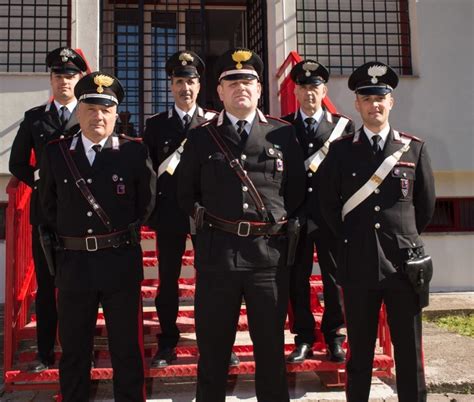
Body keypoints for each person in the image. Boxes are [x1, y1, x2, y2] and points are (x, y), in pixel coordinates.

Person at [178, 48, 306, 402]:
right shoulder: (201, 137)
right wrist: (205, 238)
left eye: (247, 80)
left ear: (260, 88)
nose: (240, 88)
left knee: (269, 350)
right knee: (214, 351)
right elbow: (184, 192)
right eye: (231, 82)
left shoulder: (283, 135)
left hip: (267, 259)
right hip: (219, 256)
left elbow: (296, 191)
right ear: (219, 92)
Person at [318, 61, 436, 402]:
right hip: (358, 267)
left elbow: (424, 208)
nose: (374, 105)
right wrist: (351, 240)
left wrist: (402, 240)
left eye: (381, 98)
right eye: (366, 99)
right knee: (360, 356)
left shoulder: (413, 149)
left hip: (403, 267)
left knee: (409, 355)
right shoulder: (340, 152)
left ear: (391, 102)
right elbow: (327, 205)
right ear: (357, 104)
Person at [39, 71, 156, 401]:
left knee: (126, 350)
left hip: (119, 263)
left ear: (116, 113)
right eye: (90, 108)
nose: (98, 116)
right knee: (74, 351)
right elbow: (47, 207)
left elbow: (145, 205)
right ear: (79, 111)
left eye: (106, 109)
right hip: (74, 265)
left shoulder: (133, 152)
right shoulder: (56, 153)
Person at [142, 50, 237, 368]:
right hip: (169, 214)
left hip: (204, 214)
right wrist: (151, 212)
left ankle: (219, 342)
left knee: (212, 279)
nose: (185, 87)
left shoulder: (213, 122)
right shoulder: (156, 126)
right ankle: (167, 342)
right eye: (180, 81)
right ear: (171, 85)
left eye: (191, 81)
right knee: (167, 282)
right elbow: (148, 172)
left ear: (200, 86)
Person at [9, 47, 87, 372]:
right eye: (58, 75)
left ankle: (75, 349)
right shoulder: (34, 118)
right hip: (46, 216)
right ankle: (44, 353)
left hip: (82, 217)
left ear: (79, 78)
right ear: (51, 79)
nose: (64, 81)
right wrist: (41, 183)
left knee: (79, 286)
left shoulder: (89, 114)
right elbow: (16, 163)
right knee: (45, 286)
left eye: (70, 75)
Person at [282, 60, 354, 364]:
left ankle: (335, 335)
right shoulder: (283, 127)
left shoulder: (343, 126)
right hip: (296, 215)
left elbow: (349, 173)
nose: (309, 93)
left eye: (315, 87)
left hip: (330, 215)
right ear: (295, 91)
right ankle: (304, 337)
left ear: (323, 90)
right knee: (296, 278)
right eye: (303, 87)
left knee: (334, 278)